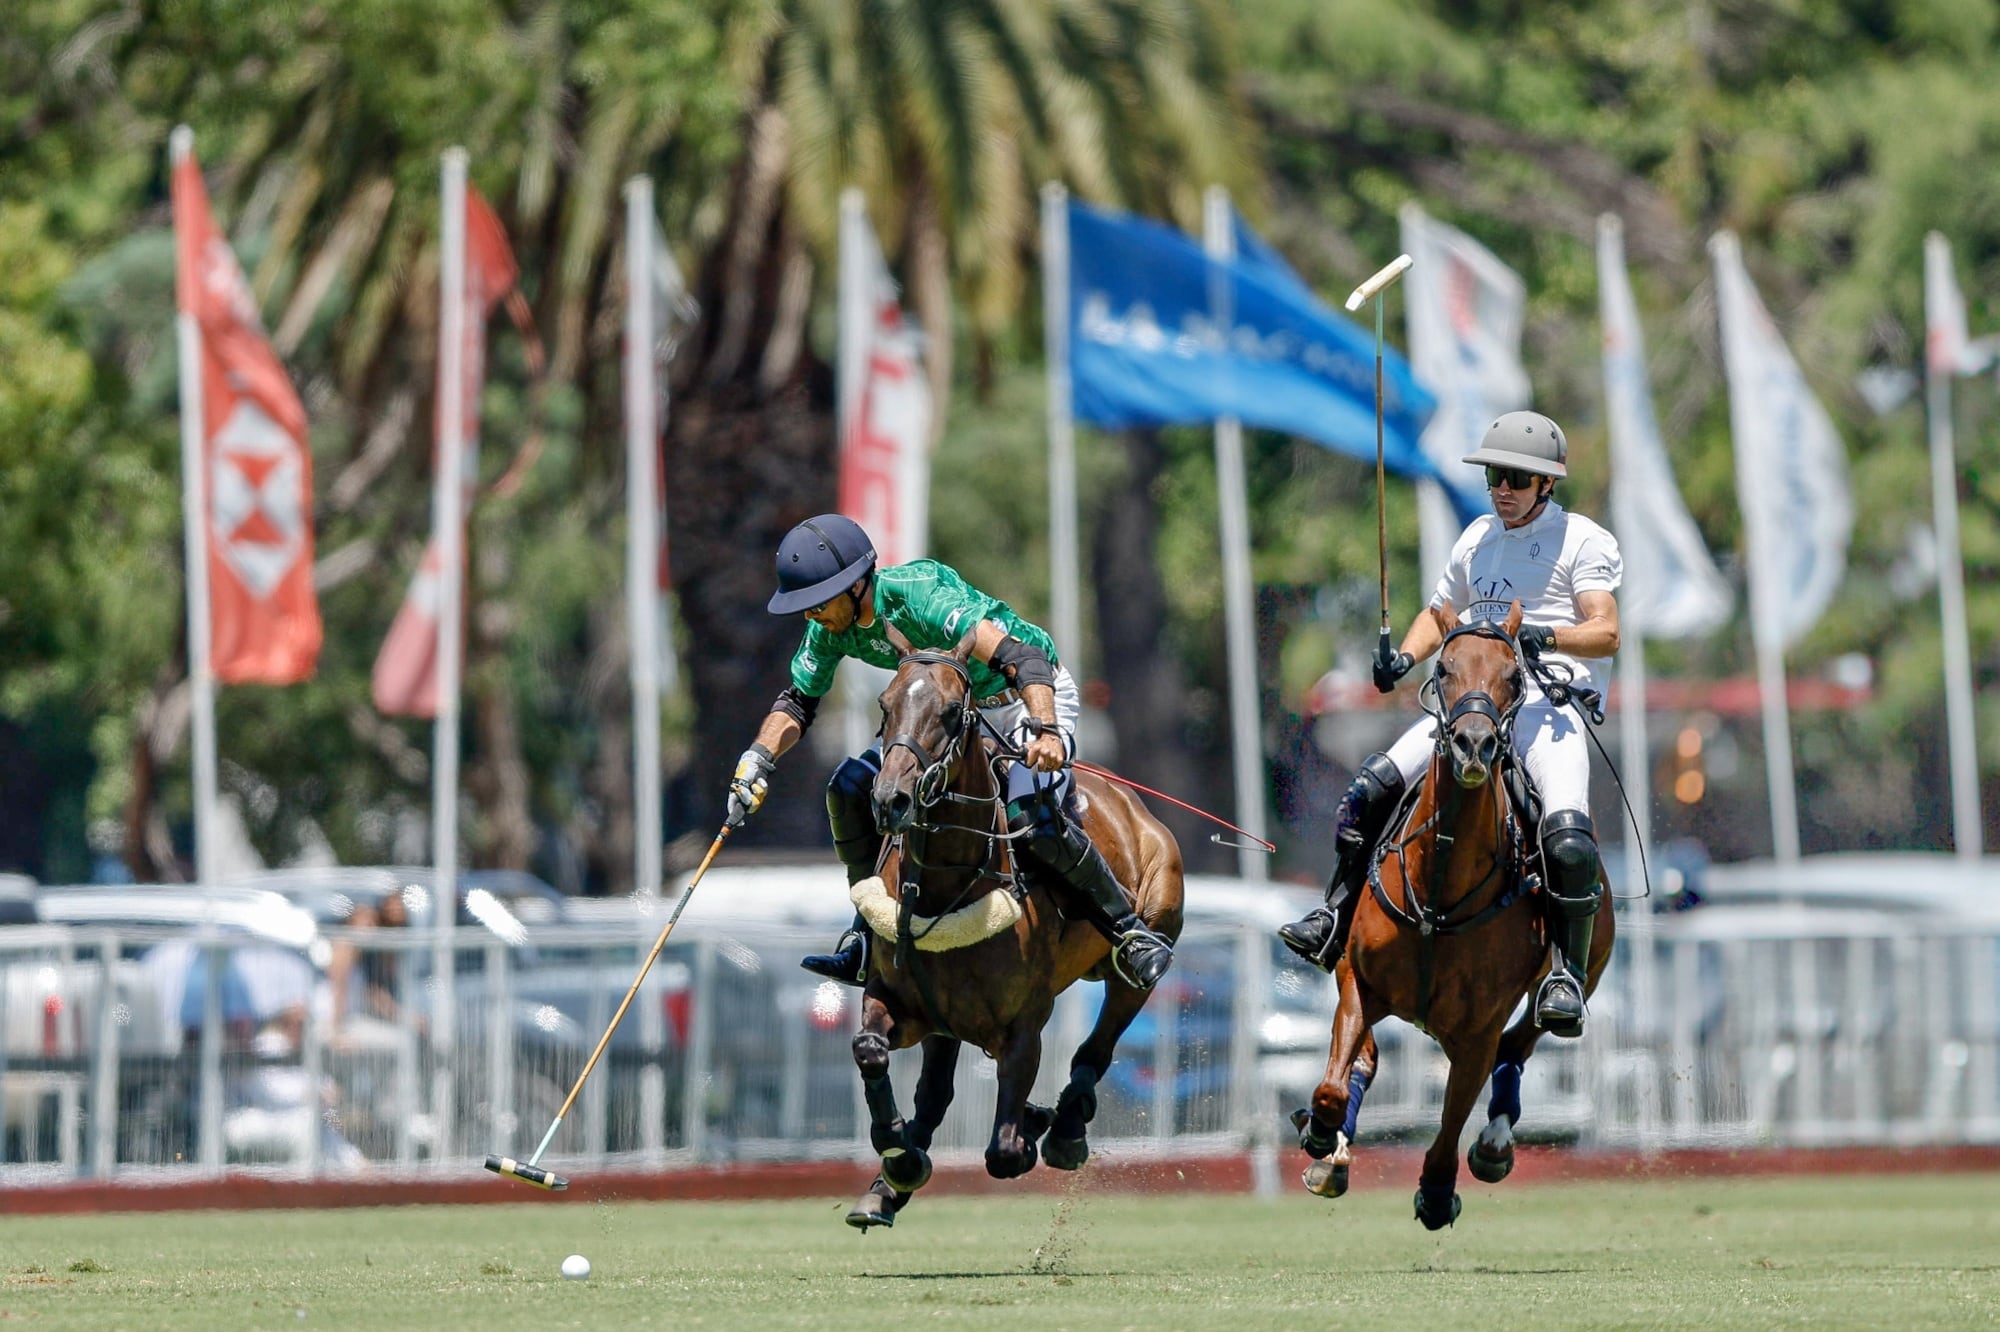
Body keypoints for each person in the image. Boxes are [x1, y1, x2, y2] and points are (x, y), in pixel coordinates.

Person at [1278, 411, 1622, 1038]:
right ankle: (1334, 918)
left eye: (1517, 477)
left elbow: (1607, 630)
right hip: (1467, 704)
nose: (1502, 488)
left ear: (1547, 484)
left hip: (1545, 706)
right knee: (1369, 791)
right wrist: (1403, 659)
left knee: (1569, 839)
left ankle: (1565, 975)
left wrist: (1548, 634)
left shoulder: (1583, 540)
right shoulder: (1477, 537)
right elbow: (1440, 617)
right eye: (1495, 474)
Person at [726, 514, 1172, 990]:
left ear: (857, 585)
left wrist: (1045, 731)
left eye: (818, 603)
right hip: (946, 713)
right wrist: (756, 760)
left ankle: (1129, 931)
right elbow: (797, 702)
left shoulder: (922, 598)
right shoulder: (830, 627)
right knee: (851, 788)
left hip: (1021, 696)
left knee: (1028, 816)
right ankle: (866, 936)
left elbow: (1026, 660)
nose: (811, 616)